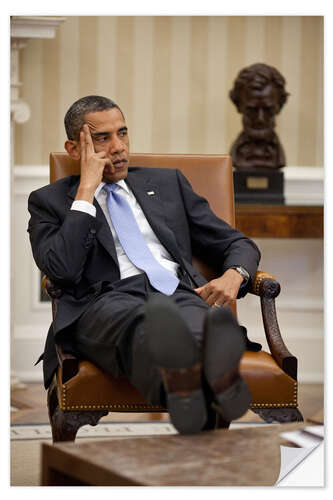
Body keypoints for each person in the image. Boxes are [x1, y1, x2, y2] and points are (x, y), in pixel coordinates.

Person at [28, 95, 261, 435]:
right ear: (75, 149)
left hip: (176, 291)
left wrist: (234, 274)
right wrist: (86, 192)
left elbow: (237, 243)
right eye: (103, 138)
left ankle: (190, 385)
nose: (119, 147)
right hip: (104, 303)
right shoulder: (48, 202)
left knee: (190, 320)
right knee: (149, 323)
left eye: (122, 134)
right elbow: (61, 270)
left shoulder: (168, 184)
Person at [229, 63, 289, 170]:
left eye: (268, 110)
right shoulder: (236, 154)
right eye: (252, 110)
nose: (260, 119)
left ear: (279, 106)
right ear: (238, 105)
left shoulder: (276, 155)